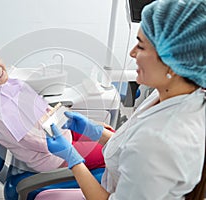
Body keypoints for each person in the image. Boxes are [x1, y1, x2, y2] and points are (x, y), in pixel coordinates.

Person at [46, 0, 206, 199]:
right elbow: (133, 147)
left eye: (140, 45)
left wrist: (73, 160)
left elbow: (144, 149)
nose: (132, 53)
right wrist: (96, 132)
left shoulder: (158, 144)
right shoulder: (171, 95)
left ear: (172, 63)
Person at [0, 40, 105, 173]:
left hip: (59, 132)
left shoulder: (10, 84)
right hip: (53, 155)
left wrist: (63, 121)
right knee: (113, 152)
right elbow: (35, 141)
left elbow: (43, 109)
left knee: (109, 133)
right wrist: (64, 137)